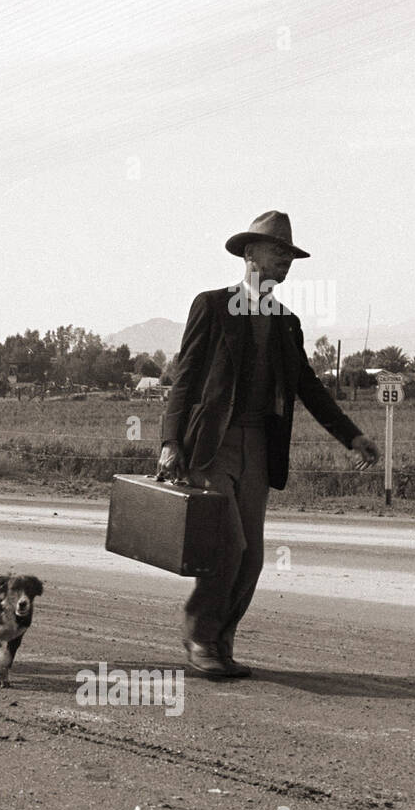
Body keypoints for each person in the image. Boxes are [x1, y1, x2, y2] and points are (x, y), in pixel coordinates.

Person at [158, 211, 379, 678]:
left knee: (253, 556)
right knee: (228, 547)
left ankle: (221, 640)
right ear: (249, 253)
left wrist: (352, 436)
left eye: (291, 255)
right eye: (278, 252)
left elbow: (309, 387)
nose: (286, 261)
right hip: (212, 446)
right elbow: (185, 379)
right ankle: (198, 635)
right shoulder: (213, 306)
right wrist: (169, 440)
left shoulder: (286, 323)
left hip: (259, 447)